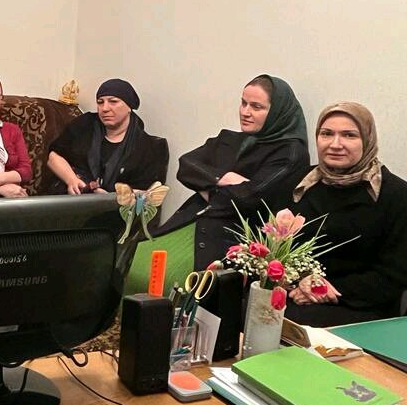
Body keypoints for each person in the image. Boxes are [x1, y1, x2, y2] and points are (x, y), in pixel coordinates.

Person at [158, 75, 309, 270]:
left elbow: (248, 198)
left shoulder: (290, 152)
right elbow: (186, 164)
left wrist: (206, 188)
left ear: (277, 111)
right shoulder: (229, 139)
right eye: (243, 103)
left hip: (234, 246)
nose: (245, 112)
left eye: (256, 107)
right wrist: (223, 179)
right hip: (189, 226)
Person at [284, 103, 407, 326]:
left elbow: (393, 275)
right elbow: (275, 246)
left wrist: (323, 289)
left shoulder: (395, 195)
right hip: (294, 295)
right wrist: (298, 280)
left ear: (367, 140)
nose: (335, 144)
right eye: (326, 134)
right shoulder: (298, 183)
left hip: (359, 307)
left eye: (349, 135)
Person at [42, 79, 169, 195]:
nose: (105, 108)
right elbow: (54, 156)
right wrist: (72, 180)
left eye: (113, 102)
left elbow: (146, 194)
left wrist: (110, 198)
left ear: (129, 107)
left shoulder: (148, 147)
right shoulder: (84, 124)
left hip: (116, 208)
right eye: (100, 102)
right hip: (71, 199)